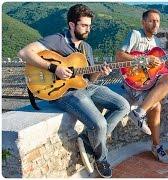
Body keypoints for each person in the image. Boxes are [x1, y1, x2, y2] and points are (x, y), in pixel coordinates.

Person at [18, 4, 130, 177]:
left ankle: (87, 139)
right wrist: (54, 68)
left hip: (85, 87)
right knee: (99, 123)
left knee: (123, 105)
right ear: (71, 25)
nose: (88, 29)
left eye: (89, 26)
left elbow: (88, 80)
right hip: (64, 92)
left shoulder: (87, 49)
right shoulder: (58, 39)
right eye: (84, 25)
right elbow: (24, 52)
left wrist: (99, 72)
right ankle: (101, 159)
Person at [115, 9, 168, 163]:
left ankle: (140, 112)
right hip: (133, 82)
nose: (155, 24)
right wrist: (145, 60)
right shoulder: (135, 34)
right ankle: (156, 146)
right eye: (151, 20)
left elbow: (163, 64)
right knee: (156, 106)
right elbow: (119, 56)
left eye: (158, 21)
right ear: (143, 22)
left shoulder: (157, 42)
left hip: (149, 82)